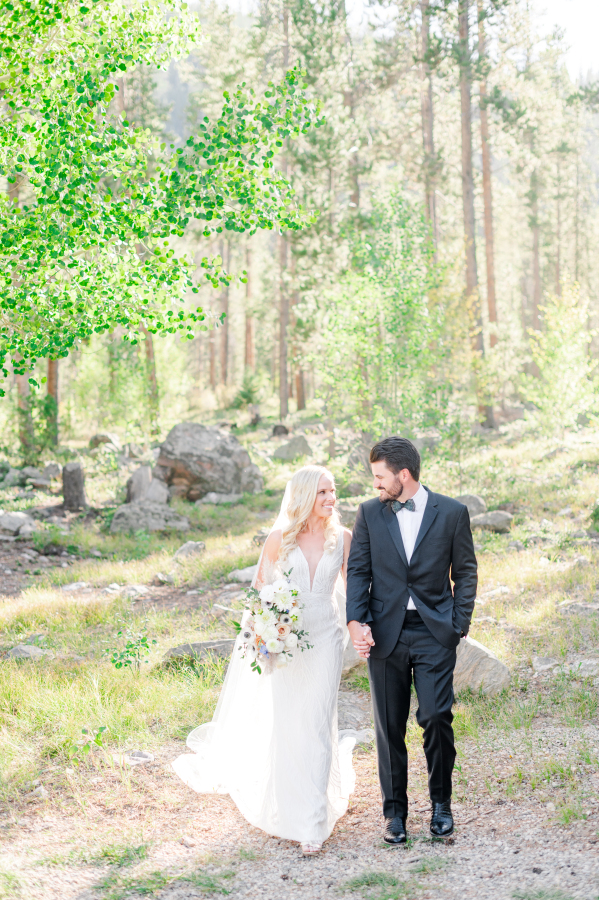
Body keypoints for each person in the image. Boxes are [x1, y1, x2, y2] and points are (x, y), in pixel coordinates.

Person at [172, 465, 354, 856]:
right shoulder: (278, 540)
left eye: (333, 491)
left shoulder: (344, 539)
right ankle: (289, 806)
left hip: (325, 637)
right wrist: (267, 629)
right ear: (305, 496)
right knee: (290, 723)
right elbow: (259, 592)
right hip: (286, 642)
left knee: (319, 721)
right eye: (322, 492)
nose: (330, 499)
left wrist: (360, 628)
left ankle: (313, 822)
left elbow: (354, 592)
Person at [346, 436, 477, 844]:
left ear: (404, 475)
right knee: (388, 726)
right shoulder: (369, 513)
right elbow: (358, 572)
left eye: (381, 477)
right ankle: (395, 814)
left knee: (437, 717)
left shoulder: (452, 512)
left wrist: (458, 624)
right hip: (385, 634)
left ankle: (441, 805)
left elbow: (466, 572)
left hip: (435, 632)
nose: (376, 486)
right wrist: (356, 621)